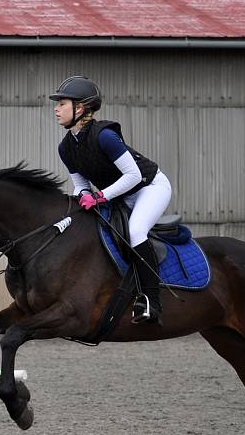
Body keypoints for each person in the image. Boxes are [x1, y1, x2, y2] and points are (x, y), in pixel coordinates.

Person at [50, 75, 172, 325]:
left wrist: (99, 196)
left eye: (62, 103)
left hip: (150, 187)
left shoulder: (104, 136)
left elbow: (133, 175)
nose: (56, 108)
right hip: (119, 195)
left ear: (80, 108)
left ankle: (151, 300)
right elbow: (81, 184)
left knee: (136, 230)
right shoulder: (65, 148)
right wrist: (85, 196)